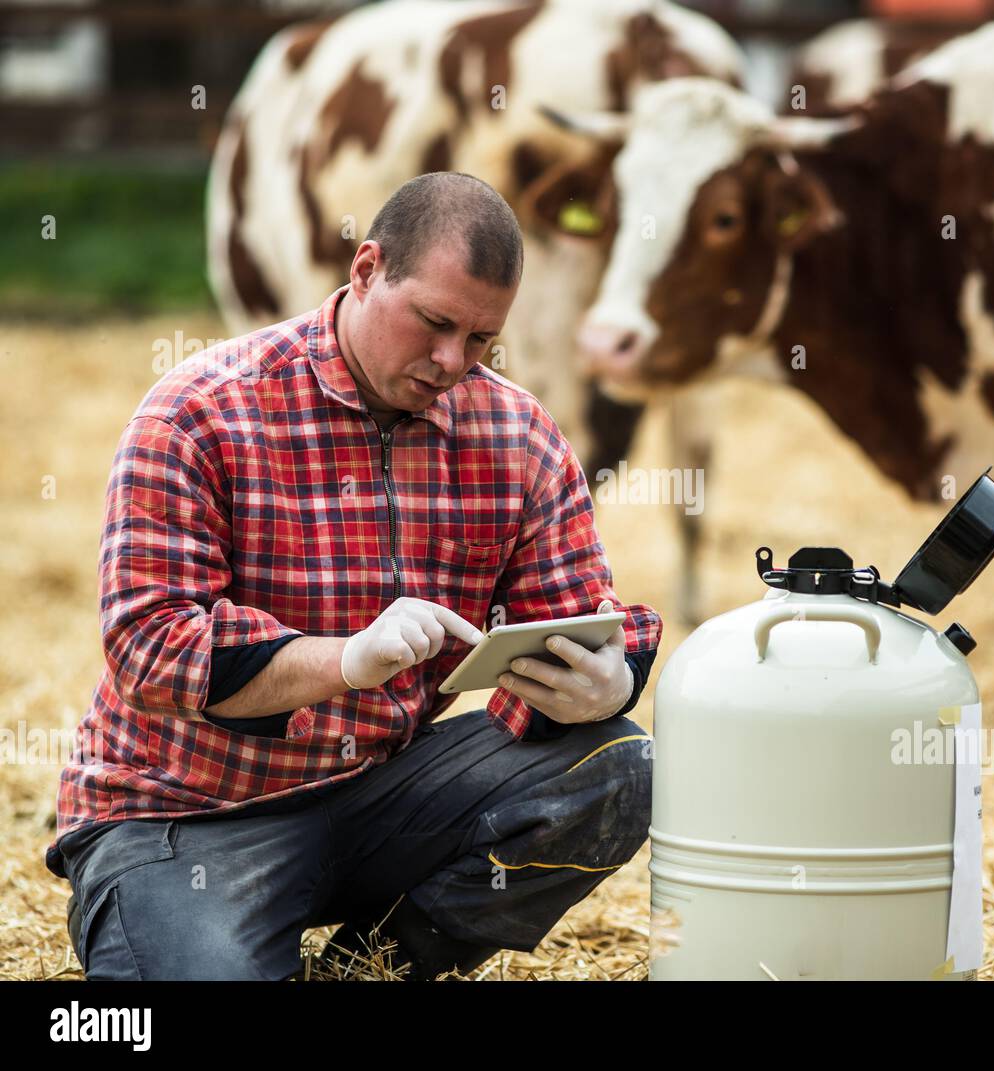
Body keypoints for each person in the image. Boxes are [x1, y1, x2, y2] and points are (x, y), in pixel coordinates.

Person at [45, 172, 662, 981]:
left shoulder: (519, 435)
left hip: (378, 794)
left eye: (480, 340)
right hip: (183, 814)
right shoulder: (200, 411)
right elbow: (150, 649)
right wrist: (342, 660)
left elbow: (583, 618)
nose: (452, 361)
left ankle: (376, 966)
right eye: (435, 322)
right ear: (367, 269)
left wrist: (604, 686)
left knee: (618, 768)